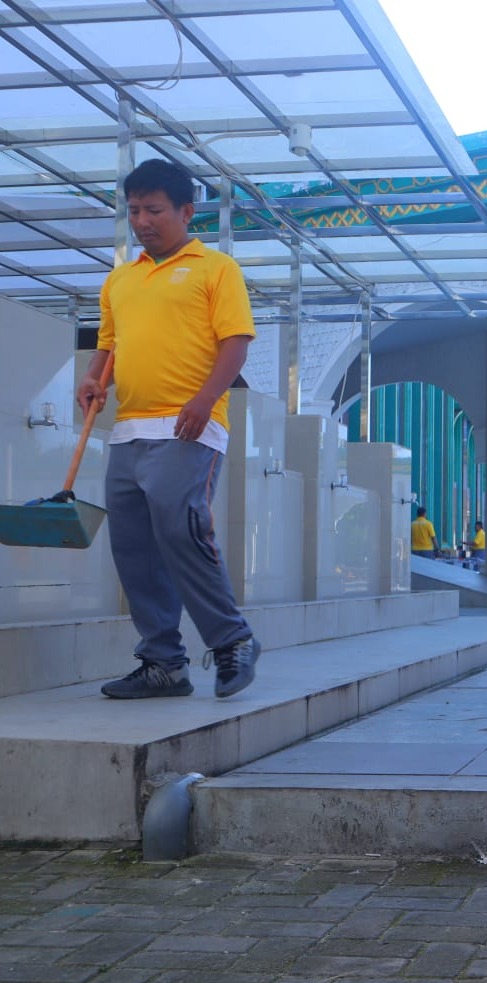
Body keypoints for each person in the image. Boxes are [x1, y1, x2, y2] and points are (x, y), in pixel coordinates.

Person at [76, 158, 260, 701]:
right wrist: (91, 378)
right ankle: (163, 663)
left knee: (182, 531)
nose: (142, 221)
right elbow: (108, 346)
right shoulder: (120, 280)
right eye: (134, 210)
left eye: (154, 210)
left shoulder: (215, 268)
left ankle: (232, 640)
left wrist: (206, 399)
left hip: (189, 426)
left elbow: (236, 341)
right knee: (132, 547)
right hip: (129, 430)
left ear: (186, 210)